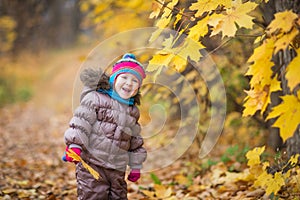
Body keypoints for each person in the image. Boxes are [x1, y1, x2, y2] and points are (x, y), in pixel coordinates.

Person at [62, 53, 147, 199]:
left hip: (117, 168)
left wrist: (136, 165)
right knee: (93, 195)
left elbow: (135, 141)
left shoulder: (132, 111)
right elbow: (81, 122)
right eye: (124, 77)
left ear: (138, 87)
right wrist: (75, 145)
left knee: (118, 196)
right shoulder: (96, 99)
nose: (129, 83)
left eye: (135, 80)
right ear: (114, 79)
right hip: (92, 164)